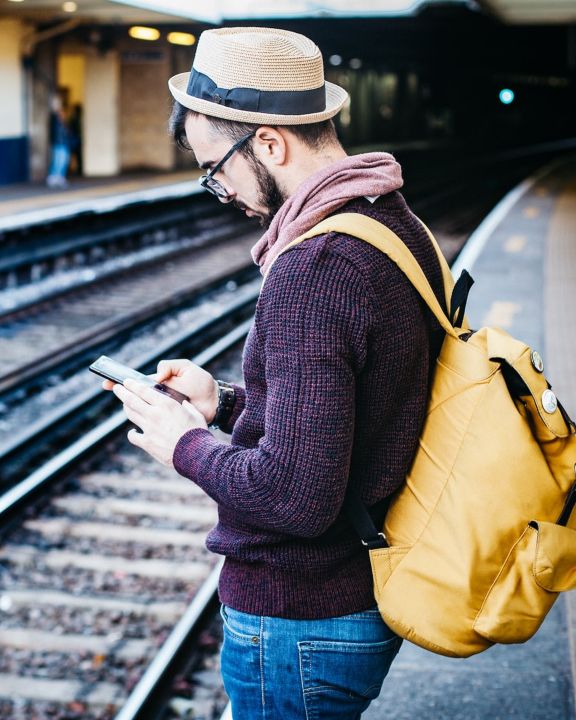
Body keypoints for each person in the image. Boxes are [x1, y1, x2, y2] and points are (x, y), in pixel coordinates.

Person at [103, 27, 446, 719]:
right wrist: (224, 401)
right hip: (351, 595)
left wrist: (182, 443)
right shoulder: (391, 222)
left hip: (300, 620)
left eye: (216, 168)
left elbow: (294, 495)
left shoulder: (314, 269)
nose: (219, 190)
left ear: (268, 143)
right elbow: (358, 409)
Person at [47, 94, 70, 188]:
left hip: (63, 143)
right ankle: (53, 177)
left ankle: (59, 177)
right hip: (58, 143)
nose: (62, 114)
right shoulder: (55, 120)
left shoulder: (62, 123)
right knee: (58, 160)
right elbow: (54, 132)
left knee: (63, 160)